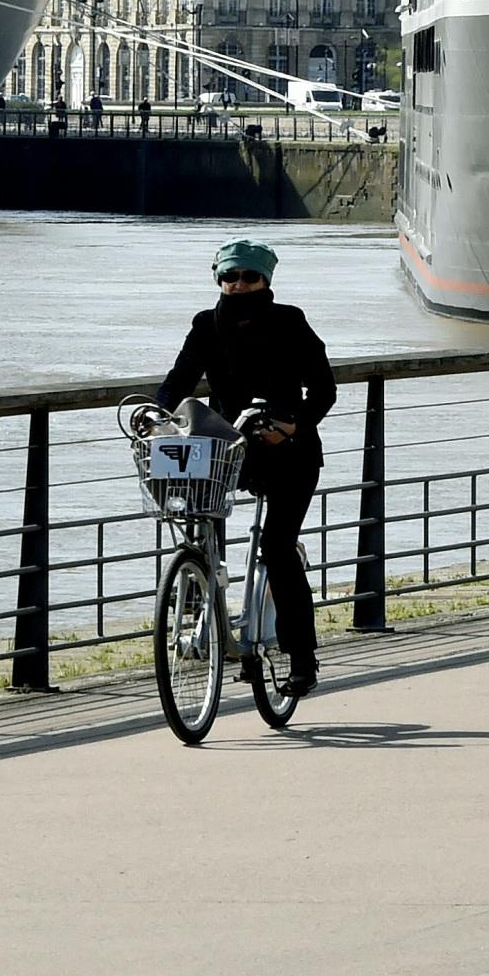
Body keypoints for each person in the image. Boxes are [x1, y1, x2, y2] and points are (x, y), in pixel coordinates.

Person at [154, 238, 336, 697]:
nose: (238, 285)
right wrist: (155, 413)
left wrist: (293, 426)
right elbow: (180, 378)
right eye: (229, 277)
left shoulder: (289, 322)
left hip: (290, 452)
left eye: (248, 277)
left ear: (266, 280)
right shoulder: (206, 324)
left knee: (276, 548)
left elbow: (323, 388)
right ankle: (203, 607)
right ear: (218, 279)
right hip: (229, 449)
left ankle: (301, 658)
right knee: (195, 521)